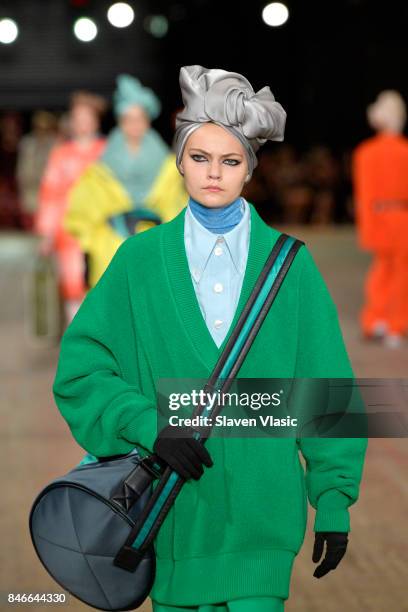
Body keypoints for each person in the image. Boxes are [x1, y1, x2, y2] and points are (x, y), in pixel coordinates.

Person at [52, 66, 368, 611]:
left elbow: (326, 388)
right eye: (199, 158)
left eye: (230, 160)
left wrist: (334, 501)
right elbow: (81, 371)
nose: (213, 174)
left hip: (262, 527)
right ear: (179, 162)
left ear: (251, 168)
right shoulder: (140, 263)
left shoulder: (290, 266)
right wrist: (152, 426)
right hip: (173, 528)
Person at [63, 74, 187, 288]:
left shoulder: (166, 162)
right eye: (128, 119)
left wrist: (164, 232)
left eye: (139, 118)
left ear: (148, 120)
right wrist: (96, 239)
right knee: (114, 307)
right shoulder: (102, 164)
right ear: (120, 121)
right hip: (111, 247)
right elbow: (83, 209)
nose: (134, 125)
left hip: (153, 245)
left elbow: (175, 205)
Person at [34, 91, 107, 326]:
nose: (82, 123)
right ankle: (78, 347)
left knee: (104, 285)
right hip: (69, 233)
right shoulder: (61, 154)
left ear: (95, 120)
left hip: (102, 230)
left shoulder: (107, 151)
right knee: (73, 286)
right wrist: (46, 233)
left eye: (87, 118)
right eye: (78, 118)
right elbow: (49, 194)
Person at [352, 90, 408, 348]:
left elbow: (364, 195)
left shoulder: (365, 152)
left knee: (382, 271)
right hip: (402, 216)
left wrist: (367, 228)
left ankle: (375, 319)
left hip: (378, 216)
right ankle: (395, 324)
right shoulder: (403, 151)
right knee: (400, 274)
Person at [16, 111, 58, 232]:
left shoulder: (54, 144)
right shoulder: (27, 143)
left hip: (49, 197)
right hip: (30, 194)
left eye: (45, 127)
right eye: (39, 126)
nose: (42, 131)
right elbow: (22, 170)